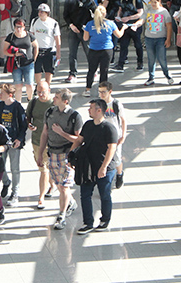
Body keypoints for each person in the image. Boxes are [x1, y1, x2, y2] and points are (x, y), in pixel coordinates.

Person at [72, 98, 119, 234]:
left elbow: (112, 149)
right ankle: (88, 222)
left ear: (99, 110)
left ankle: (105, 219)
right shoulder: (88, 125)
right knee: (84, 194)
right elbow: (80, 140)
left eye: (91, 107)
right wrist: (71, 154)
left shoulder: (109, 128)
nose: (89, 110)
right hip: (88, 167)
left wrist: (103, 167)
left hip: (106, 168)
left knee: (105, 194)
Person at [37, 88, 82, 230]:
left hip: (66, 154)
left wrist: (62, 133)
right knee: (58, 183)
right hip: (52, 153)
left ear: (65, 101)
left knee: (64, 186)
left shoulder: (74, 116)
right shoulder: (50, 112)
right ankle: (70, 202)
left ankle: (61, 215)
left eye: (56, 97)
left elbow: (78, 139)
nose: (53, 99)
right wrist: (40, 152)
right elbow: (45, 133)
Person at [0, 83, 28, 207]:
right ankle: (6, 181)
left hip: (14, 142)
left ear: (10, 95)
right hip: (2, 142)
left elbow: (24, 125)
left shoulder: (17, 107)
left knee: (15, 168)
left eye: (2, 93)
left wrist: (19, 139)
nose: (0, 95)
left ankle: (15, 193)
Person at [83, 5, 126, 97]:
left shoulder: (90, 24)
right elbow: (118, 35)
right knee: (104, 71)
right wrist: (124, 28)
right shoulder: (110, 24)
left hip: (93, 49)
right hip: (107, 50)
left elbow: (85, 38)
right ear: (105, 13)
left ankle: (87, 89)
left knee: (91, 70)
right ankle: (102, 92)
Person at [26, 80, 55, 209]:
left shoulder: (54, 104)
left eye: (43, 91)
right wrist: (29, 125)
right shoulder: (33, 103)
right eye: (38, 92)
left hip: (52, 142)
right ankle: (51, 186)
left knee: (45, 169)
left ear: (49, 90)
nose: (41, 94)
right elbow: (27, 117)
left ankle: (41, 197)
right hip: (37, 140)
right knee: (44, 168)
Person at [63, 0, 96, 83]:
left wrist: (90, 27)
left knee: (89, 51)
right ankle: (72, 73)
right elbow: (65, 14)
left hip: (85, 30)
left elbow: (96, 12)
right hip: (73, 29)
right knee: (72, 53)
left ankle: (93, 70)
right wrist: (71, 25)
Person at [137, 0, 173, 86]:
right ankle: (151, 77)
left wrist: (168, 39)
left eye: (155, 2)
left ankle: (167, 75)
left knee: (162, 59)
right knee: (151, 59)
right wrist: (136, 24)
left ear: (159, 2)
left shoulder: (164, 12)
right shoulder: (148, 10)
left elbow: (169, 26)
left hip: (160, 38)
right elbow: (142, 20)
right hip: (149, 38)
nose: (153, 4)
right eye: (151, 2)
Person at [97, 82, 127, 188]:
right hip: (103, 135)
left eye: (103, 92)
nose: (101, 94)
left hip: (115, 136)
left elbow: (123, 120)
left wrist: (123, 135)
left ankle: (119, 174)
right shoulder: (98, 104)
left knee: (117, 158)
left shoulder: (116, 104)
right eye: (99, 92)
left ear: (110, 92)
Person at [111, 0, 145, 73]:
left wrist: (129, 18)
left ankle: (140, 62)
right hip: (125, 25)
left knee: (138, 45)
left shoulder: (136, 0)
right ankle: (120, 64)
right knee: (123, 45)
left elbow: (140, 13)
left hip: (134, 25)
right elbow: (120, 9)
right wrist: (119, 16)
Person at [3, 18, 39, 103]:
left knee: (30, 84)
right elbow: (4, 51)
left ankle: (30, 100)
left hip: (29, 63)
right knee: (18, 85)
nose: (18, 29)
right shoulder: (11, 37)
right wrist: (14, 54)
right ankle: (18, 103)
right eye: (16, 27)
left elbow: (36, 46)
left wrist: (34, 58)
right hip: (16, 64)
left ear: (24, 27)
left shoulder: (29, 36)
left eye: (20, 27)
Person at [29, 3, 61, 85]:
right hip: (37, 49)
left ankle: (47, 85)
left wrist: (58, 52)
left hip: (49, 49)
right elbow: (31, 34)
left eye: (42, 12)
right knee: (37, 69)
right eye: (39, 12)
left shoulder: (53, 23)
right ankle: (38, 85)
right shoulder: (34, 21)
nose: (40, 13)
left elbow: (57, 38)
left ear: (47, 13)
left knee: (49, 69)